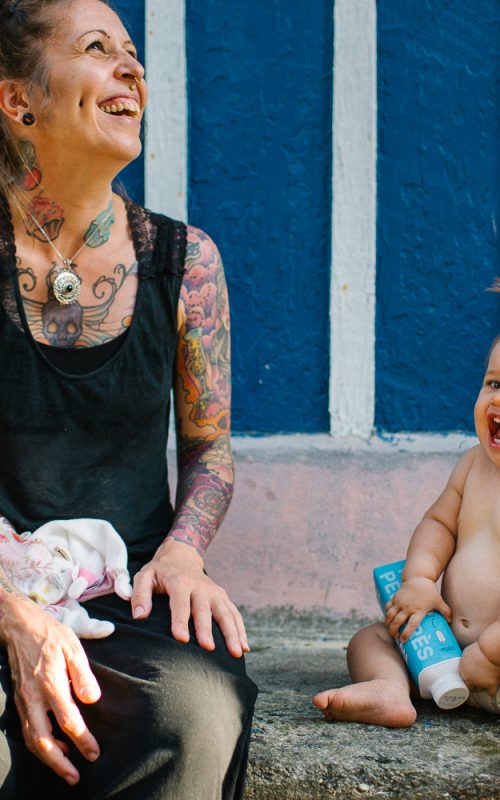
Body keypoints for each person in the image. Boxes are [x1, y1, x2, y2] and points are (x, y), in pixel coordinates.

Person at [0, 0, 257, 797]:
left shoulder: (188, 263)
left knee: (197, 713)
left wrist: (183, 551)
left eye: (134, 52)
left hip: (129, 593)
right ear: (19, 102)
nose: (132, 68)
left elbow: (210, 449)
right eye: (97, 48)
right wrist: (11, 615)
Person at [313, 336, 500, 727]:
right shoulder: (472, 465)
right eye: (494, 384)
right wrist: (419, 579)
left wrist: (490, 652)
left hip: (493, 668)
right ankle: (389, 689)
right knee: (372, 639)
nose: (497, 399)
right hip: (441, 650)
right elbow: (439, 524)